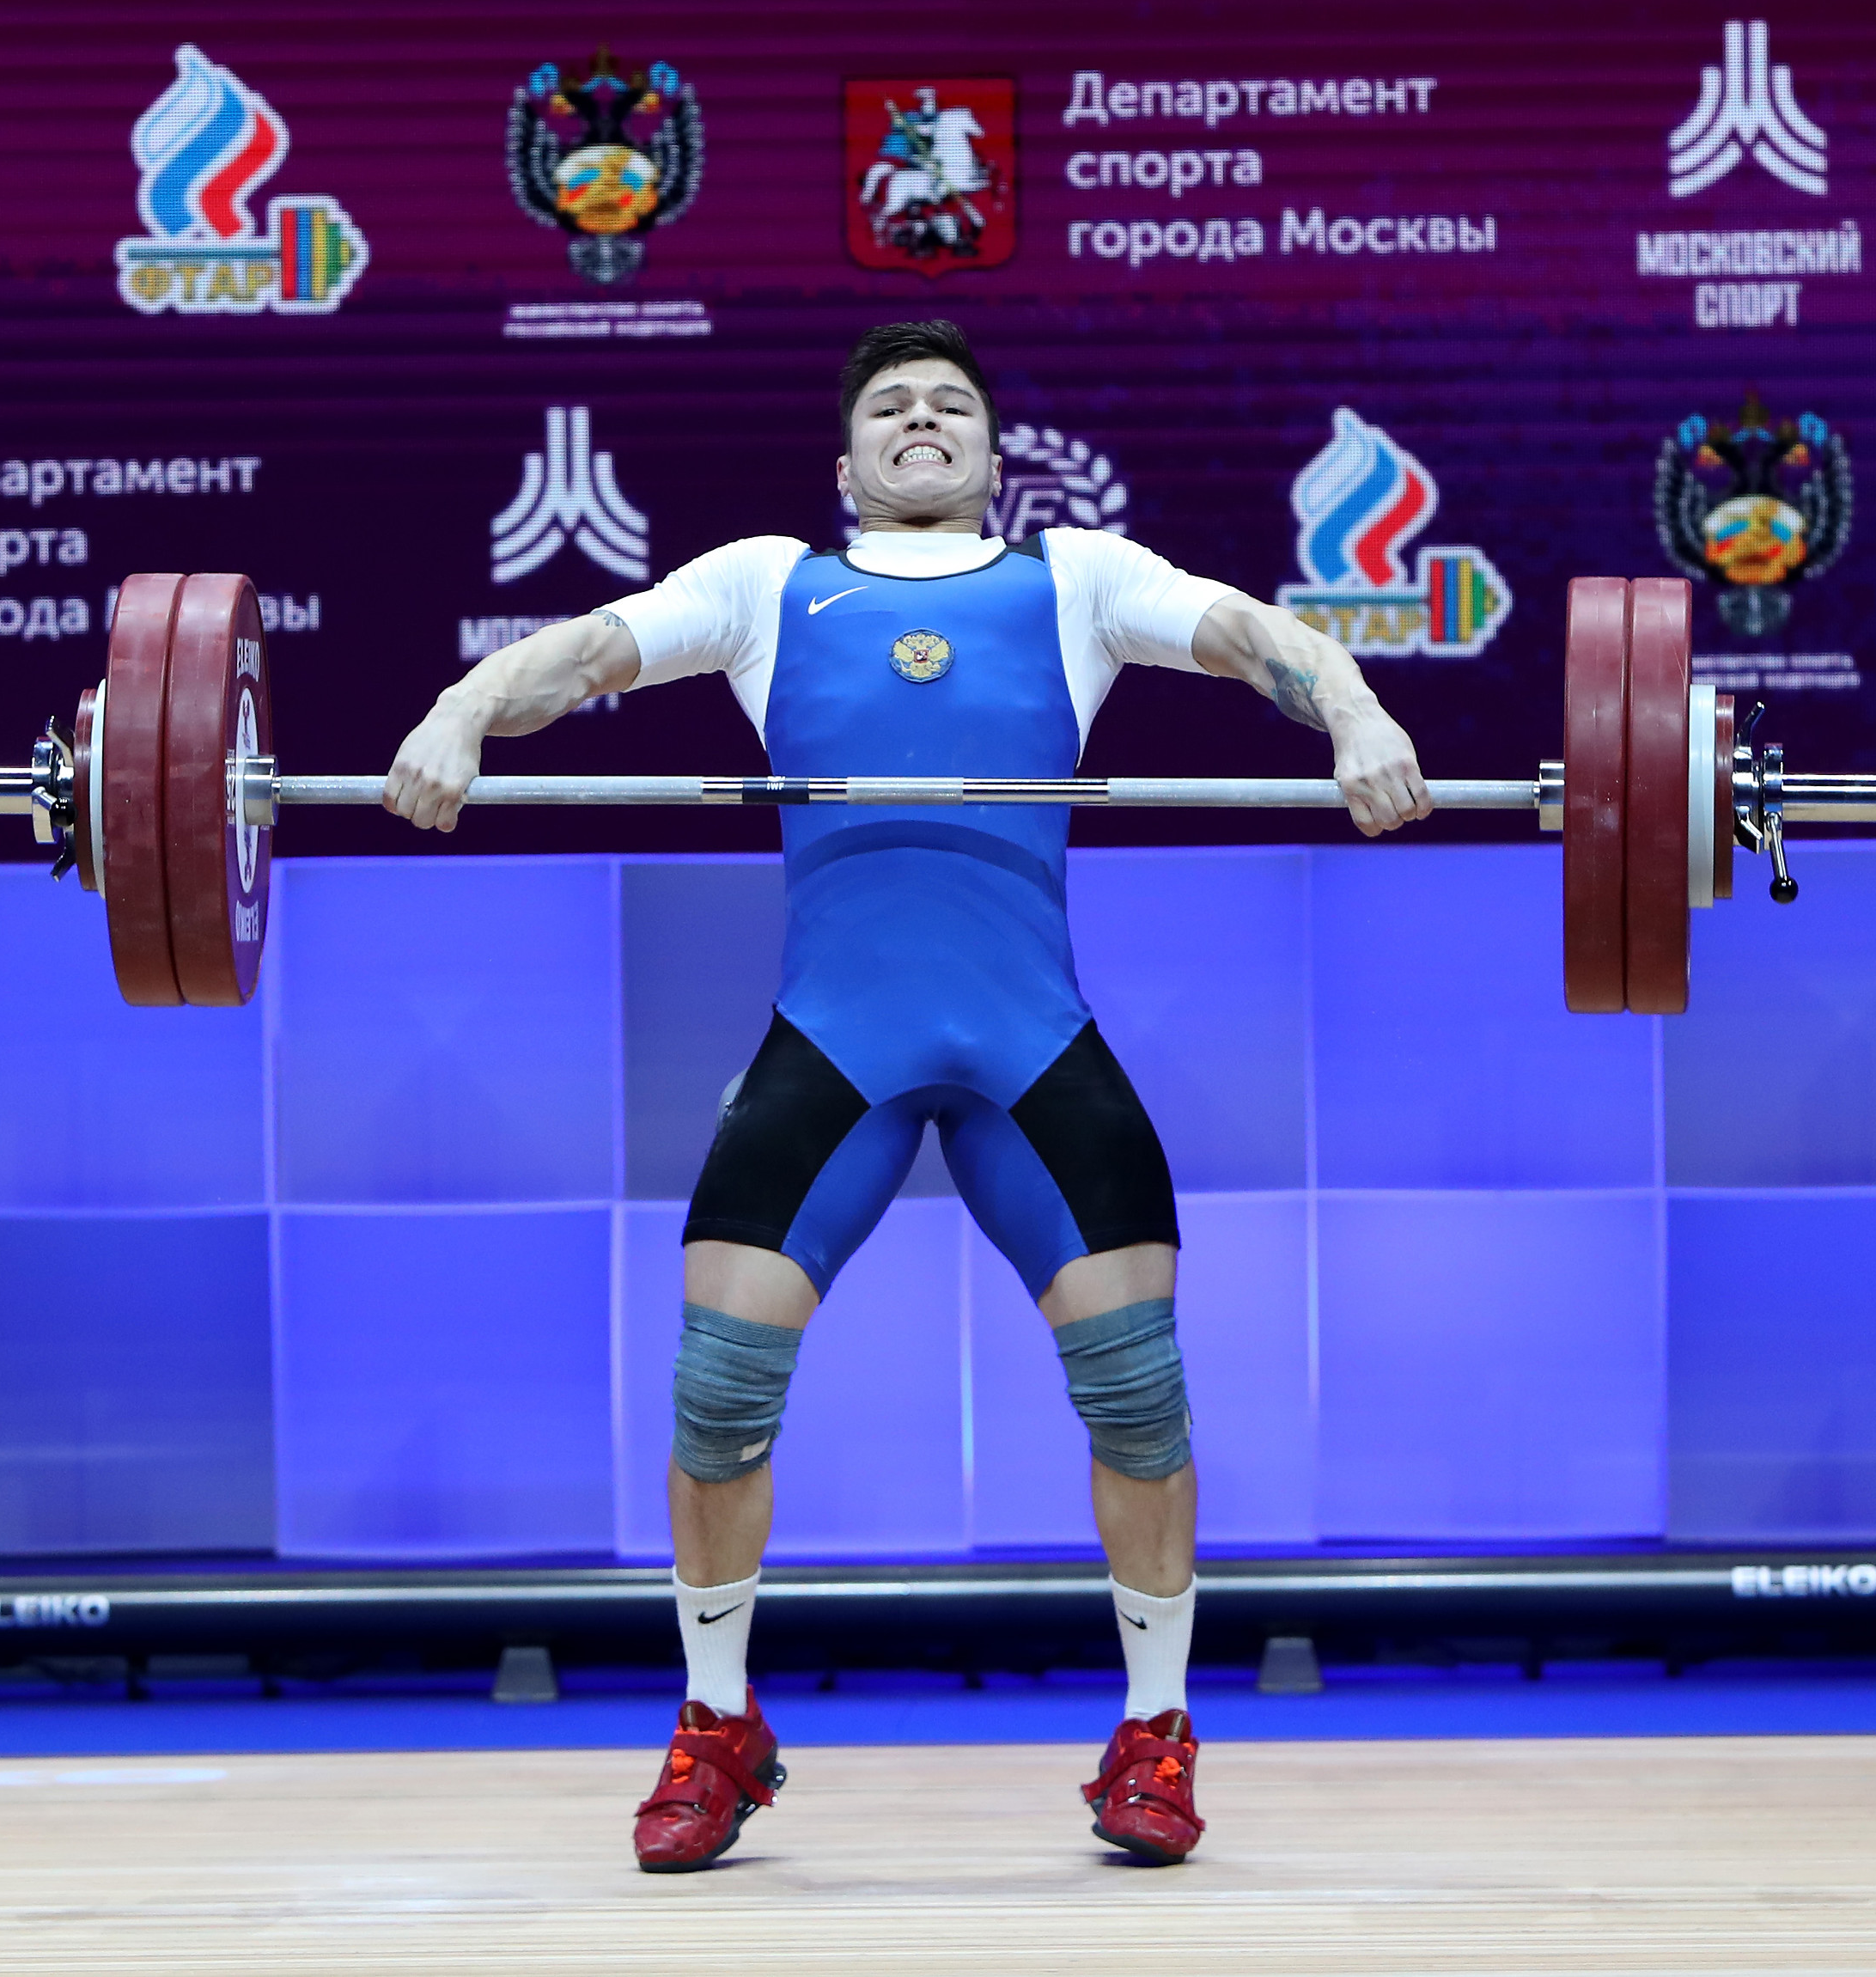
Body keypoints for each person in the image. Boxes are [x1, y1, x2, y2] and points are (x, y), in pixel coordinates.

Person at [383, 320, 1429, 1870]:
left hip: (1031, 1041)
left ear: (996, 458)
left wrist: (1355, 712)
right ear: (848, 459)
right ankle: (717, 1723)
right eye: (892, 405)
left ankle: (1156, 1730)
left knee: (1138, 1387)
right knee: (718, 1386)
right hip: (835, 1041)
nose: (922, 420)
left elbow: (1257, 635)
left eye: (951, 405)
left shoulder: (1076, 580)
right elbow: (587, 654)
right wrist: (462, 710)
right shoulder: (766, 584)